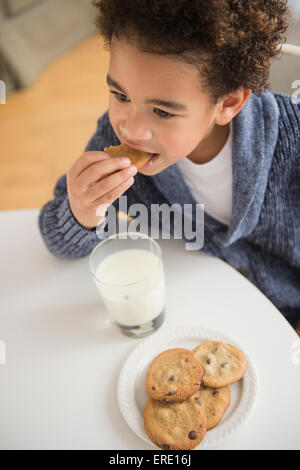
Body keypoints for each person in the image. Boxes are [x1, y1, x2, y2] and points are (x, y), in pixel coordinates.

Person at [38, 0, 300, 333]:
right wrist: (80, 213)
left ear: (229, 104)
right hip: (190, 314)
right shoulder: (114, 137)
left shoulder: (293, 142)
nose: (129, 129)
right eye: (120, 95)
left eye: (162, 112)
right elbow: (57, 239)